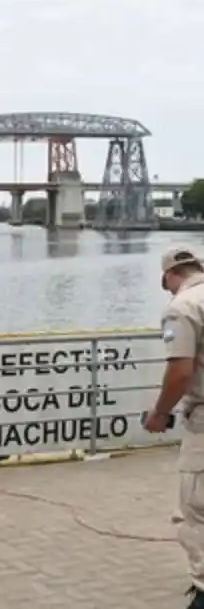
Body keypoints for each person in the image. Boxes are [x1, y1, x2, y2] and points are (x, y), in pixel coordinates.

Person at [145, 248, 204, 609]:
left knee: (197, 508)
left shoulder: (182, 308)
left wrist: (159, 413)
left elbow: (180, 372)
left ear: (170, 275)